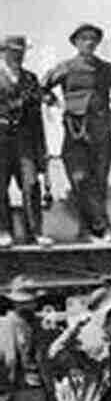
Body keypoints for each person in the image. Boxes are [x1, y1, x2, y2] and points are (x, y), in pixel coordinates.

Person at [42, 22, 111, 243]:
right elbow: (41, 88)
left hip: (101, 134)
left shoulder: (106, 70)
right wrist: (51, 100)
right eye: (83, 39)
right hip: (75, 133)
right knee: (79, 179)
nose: (89, 42)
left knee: (99, 181)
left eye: (92, 39)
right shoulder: (66, 67)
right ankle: (101, 224)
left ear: (97, 43)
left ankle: (87, 230)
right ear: (76, 43)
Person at [0, 34, 51, 247]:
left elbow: (36, 117)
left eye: (21, 52)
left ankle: (35, 232)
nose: (18, 56)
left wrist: (42, 148)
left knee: (31, 184)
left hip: (24, 140)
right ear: (3, 53)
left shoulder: (30, 79)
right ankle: (3, 231)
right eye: (13, 52)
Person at [0, 276, 50, 401]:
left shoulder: (41, 326)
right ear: (14, 303)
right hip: (12, 393)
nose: (27, 306)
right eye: (22, 302)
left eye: (30, 302)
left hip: (39, 392)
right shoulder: (3, 326)